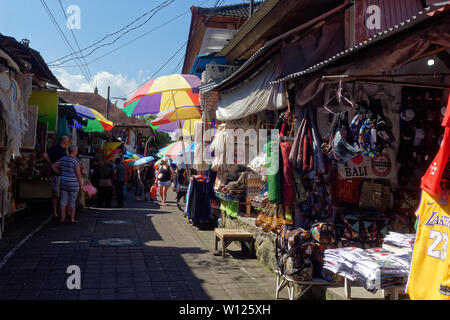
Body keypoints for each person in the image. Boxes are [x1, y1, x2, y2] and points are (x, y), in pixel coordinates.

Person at [52, 145, 82, 224]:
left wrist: (61, 173)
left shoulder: (63, 159)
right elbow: (78, 174)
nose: (77, 152)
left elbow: (54, 166)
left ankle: (62, 218)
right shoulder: (76, 161)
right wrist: (81, 184)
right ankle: (72, 219)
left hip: (64, 183)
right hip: (73, 185)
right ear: (74, 151)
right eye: (77, 150)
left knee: (63, 201)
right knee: (72, 202)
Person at [43, 135, 69, 220]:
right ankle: (54, 212)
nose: (68, 142)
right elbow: (45, 155)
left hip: (63, 174)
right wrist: (51, 164)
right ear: (64, 141)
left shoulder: (64, 150)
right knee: (55, 194)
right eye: (67, 140)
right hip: (56, 174)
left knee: (62, 194)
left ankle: (60, 212)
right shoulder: (56, 148)